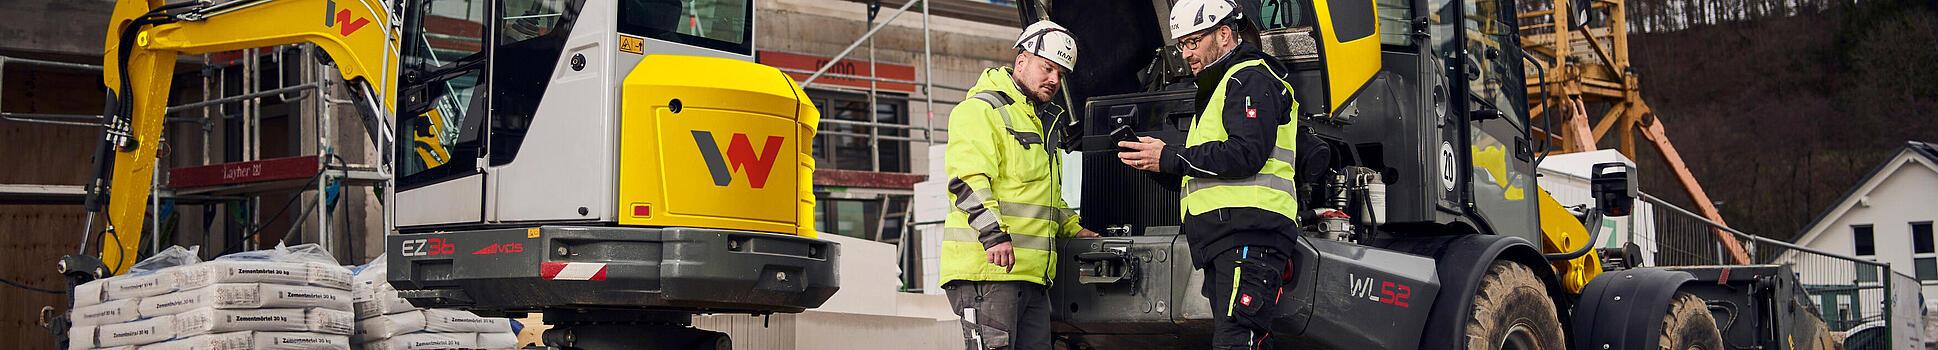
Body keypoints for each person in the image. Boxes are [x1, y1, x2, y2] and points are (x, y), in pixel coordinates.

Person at [1116, 0, 1302, 348]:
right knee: (1238, 337)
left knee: (1236, 339)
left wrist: (1170, 157)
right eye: (1182, 44)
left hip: (1250, 232)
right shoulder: (1222, 86)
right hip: (1228, 236)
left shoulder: (1250, 77)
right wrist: (1156, 162)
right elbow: (1206, 170)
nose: (1186, 53)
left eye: (1193, 41)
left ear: (1224, 34)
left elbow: (1246, 154)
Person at [939, 20, 1100, 350]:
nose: (1054, 80)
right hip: (988, 271)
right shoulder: (981, 111)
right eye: (1047, 68)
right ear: (1021, 60)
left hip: (1031, 276)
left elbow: (1040, 196)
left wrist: (1071, 227)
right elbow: (967, 181)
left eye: (1060, 73)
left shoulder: (1043, 122)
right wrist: (994, 236)